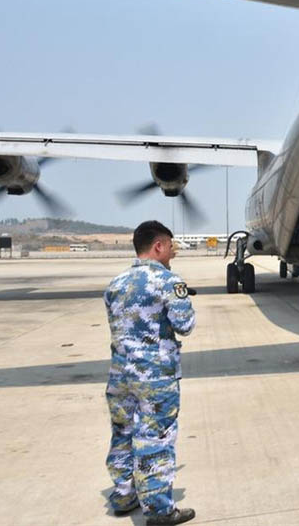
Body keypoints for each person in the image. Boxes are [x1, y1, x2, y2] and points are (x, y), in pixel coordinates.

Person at [103, 220, 196, 526]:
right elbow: (185, 325)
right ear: (158, 246)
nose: (172, 251)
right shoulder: (168, 281)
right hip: (154, 377)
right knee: (155, 437)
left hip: (120, 374)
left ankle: (123, 495)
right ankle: (158, 509)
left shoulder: (116, 284)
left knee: (123, 432)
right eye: (170, 246)